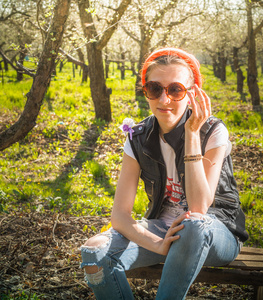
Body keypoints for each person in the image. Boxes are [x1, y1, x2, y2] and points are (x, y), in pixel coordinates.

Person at [80, 47, 249, 300]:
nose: (164, 99)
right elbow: (120, 216)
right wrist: (156, 244)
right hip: (164, 229)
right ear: (145, 91)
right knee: (94, 253)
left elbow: (199, 207)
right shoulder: (137, 137)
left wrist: (192, 134)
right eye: (155, 88)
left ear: (192, 94)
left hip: (216, 231)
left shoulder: (213, 131)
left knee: (192, 224)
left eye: (175, 89)